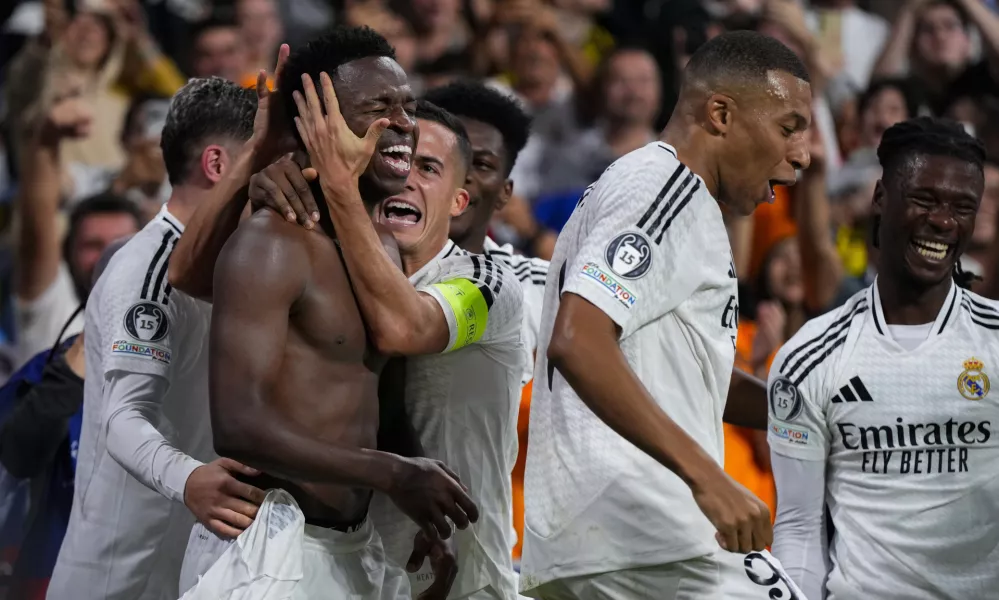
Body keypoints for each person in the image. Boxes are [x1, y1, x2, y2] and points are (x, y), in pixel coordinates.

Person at [170, 27, 477, 600]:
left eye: (408, 106)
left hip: (351, 549)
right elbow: (238, 425)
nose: (404, 124)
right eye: (379, 108)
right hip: (267, 547)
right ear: (315, 121)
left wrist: (421, 506)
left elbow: (377, 398)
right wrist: (393, 474)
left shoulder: (380, 246)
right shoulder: (272, 240)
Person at [519, 30, 812, 599]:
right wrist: (708, 478)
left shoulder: (664, 193)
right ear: (721, 114)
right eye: (788, 128)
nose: (800, 154)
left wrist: (798, 410)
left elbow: (680, 374)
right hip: (651, 541)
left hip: (619, 545)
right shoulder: (665, 187)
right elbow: (578, 340)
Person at [289, 73, 526, 598]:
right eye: (397, 161)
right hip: (352, 569)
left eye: (428, 167)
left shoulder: (488, 283)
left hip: (465, 579)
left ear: (460, 201)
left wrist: (338, 189)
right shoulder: (329, 267)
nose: (406, 177)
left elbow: (402, 328)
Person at [47, 77, 265, 600]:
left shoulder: (242, 266)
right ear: (218, 165)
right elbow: (123, 418)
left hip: (189, 570)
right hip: (118, 580)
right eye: (261, 156)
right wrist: (190, 478)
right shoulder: (146, 272)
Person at [769, 117, 999, 599]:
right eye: (924, 199)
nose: (942, 221)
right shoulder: (808, 358)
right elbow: (798, 527)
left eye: (962, 208)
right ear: (880, 197)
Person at [422, 80, 542, 566]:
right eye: (444, 159)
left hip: (482, 551)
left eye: (482, 165)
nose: (459, 179)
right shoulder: (354, 264)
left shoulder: (538, 289)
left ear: (506, 192)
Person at [0, 236, 129, 600]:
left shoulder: (203, 372)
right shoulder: (48, 373)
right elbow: (18, 458)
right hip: (55, 577)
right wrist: (84, 357)